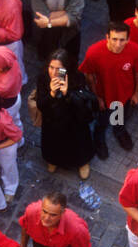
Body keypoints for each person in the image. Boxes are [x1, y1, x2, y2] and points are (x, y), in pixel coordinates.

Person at [32, 50, 98, 183]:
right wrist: (51, 93)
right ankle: (53, 160)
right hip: (53, 120)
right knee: (53, 143)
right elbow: (41, 105)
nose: (54, 72)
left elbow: (82, 104)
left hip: (74, 121)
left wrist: (67, 93)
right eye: (51, 67)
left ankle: (82, 162)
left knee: (79, 143)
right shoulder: (44, 77)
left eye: (59, 69)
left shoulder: (76, 77)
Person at [79, 22, 138, 157]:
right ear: (107, 37)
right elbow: (89, 76)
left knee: (120, 116)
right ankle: (99, 138)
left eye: (122, 40)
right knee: (101, 121)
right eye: (114, 39)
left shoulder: (135, 50)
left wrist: (137, 92)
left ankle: (118, 131)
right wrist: (97, 97)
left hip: (124, 94)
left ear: (128, 39)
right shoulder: (94, 52)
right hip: (103, 95)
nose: (118, 44)